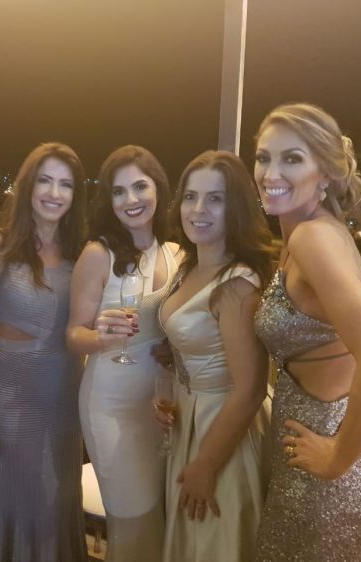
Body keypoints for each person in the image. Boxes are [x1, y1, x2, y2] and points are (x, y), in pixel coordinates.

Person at [252, 103, 361, 561]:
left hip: (332, 479)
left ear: (326, 173)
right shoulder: (313, 232)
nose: (271, 173)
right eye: (263, 157)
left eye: (291, 159)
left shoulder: (313, 239)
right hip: (316, 456)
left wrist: (338, 457)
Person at [156, 150, 273, 562]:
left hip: (223, 429)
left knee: (212, 543)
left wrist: (206, 465)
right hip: (189, 416)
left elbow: (251, 388)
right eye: (191, 197)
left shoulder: (237, 285)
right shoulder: (190, 266)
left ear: (236, 207)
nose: (198, 209)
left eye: (215, 199)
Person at [0, 142, 89, 562]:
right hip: (12, 391)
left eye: (66, 184)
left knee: (60, 491)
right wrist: (6, 317)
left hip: (65, 391)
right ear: (28, 186)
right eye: (45, 180)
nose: (54, 193)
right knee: (23, 492)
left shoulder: (83, 254)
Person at [67, 145, 180, 562]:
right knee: (134, 521)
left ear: (158, 189)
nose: (131, 199)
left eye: (139, 187)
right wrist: (99, 336)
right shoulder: (98, 253)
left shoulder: (176, 252)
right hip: (111, 404)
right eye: (119, 191)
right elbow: (73, 335)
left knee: (160, 518)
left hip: (161, 405)